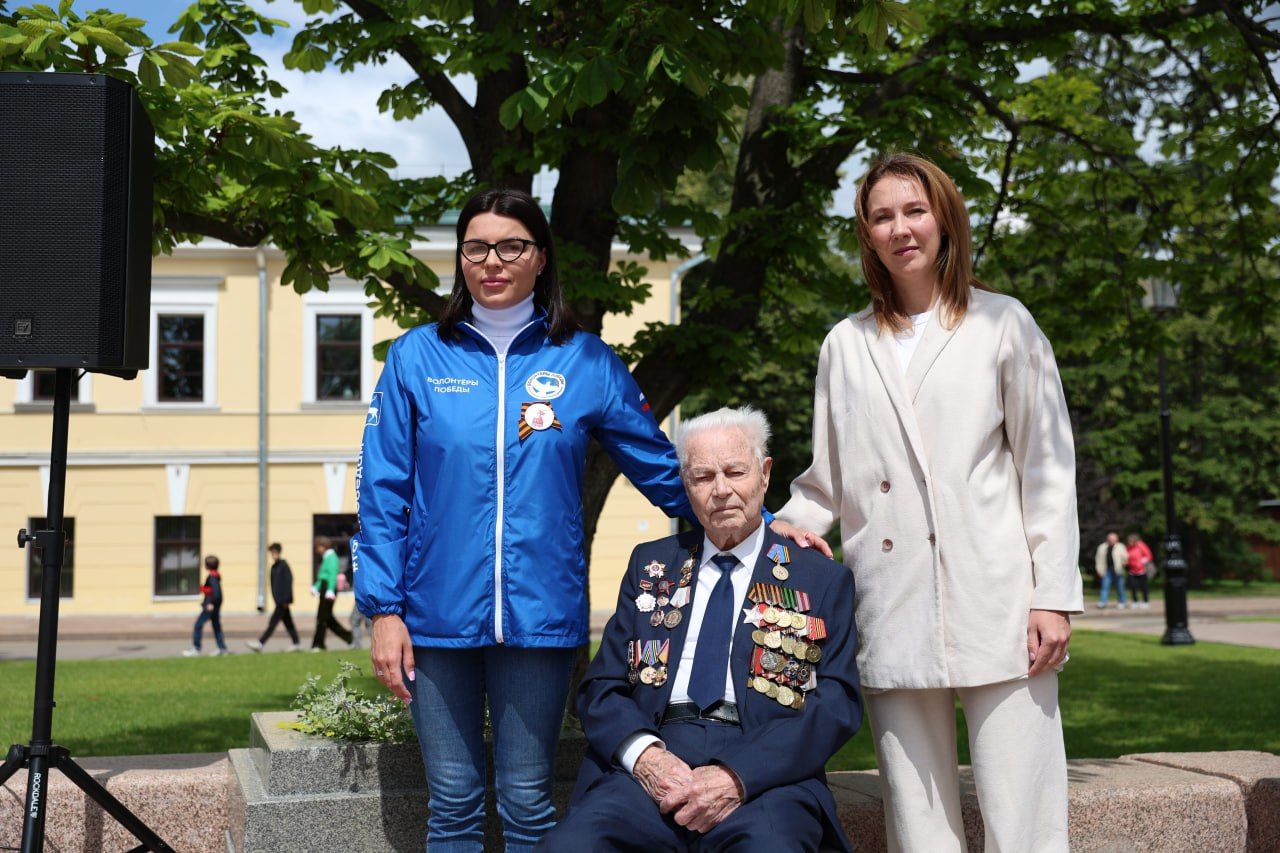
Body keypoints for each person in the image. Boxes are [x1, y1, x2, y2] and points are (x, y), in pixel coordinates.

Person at [352, 188, 821, 852]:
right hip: (433, 614)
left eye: (511, 245)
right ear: (459, 258)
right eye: (477, 246)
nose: (493, 261)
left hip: (540, 616)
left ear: (540, 257)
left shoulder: (585, 360)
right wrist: (384, 609)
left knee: (525, 797)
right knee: (452, 799)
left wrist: (765, 529)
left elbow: (663, 469)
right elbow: (383, 491)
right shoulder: (417, 357)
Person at [772, 153, 1082, 852]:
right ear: (866, 234)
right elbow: (827, 478)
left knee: (1025, 812)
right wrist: (781, 533)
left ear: (944, 218)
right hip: (893, 594)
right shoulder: (845, 344)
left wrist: (1053, 594)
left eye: (914, 210)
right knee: (917, 819)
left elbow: (1048, 469)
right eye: (882, 216)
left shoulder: (1005, 324)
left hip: (1001, 595)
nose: (900, 228)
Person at [537, 408, 861, 852]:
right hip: (656, 756)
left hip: (765, 771)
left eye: (735, 472)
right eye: (703, 477)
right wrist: (646, 758)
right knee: (571, 846)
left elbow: (837, 704)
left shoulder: (819, 577)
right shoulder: (652, 565)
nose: (722, 490)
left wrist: (736, 775)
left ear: (765, 475)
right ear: (686, 486)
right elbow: (601, 688)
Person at [246, 543, 301, 652]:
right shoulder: (274, 567)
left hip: (283, 601)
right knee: (288, 623)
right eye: (272, 552)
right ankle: (296, 643)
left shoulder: (284, 565)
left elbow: (289, 582)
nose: (274, 554)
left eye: (275, 552)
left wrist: (287, 599)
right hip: (278, 600)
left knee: (272, 623)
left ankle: (260, 643)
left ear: (279, 552)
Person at [311, 536, 353, 651]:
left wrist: (330, 589)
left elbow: (332, 574)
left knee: (322, 618)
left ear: (323, 546)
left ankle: (318, 644)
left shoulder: (331, 557)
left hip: (328, 589)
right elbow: (322, 577)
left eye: (318, 546)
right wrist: (316, 587)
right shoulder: (327, 557)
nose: (317, 549)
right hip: (325, 588)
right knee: (327, 618)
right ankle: (349, 638)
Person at [183, 555, 228, 657]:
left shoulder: (212, 577)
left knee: (198, 625)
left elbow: (216, 594)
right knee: (216, 626)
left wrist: (210, 603)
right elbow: (213, 591)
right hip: (213, 606)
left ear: (207, 565)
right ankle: (222, 648)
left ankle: (196, 648)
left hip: (210, 607)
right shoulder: (215, 576)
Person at [1095, 531, 1129, 609]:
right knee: (1104, 586)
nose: (1112, 541)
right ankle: (1102, 602)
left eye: (1113, 539)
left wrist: (1124, 562)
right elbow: (1098, 559)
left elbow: (1126, 557)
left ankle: (1122, 602)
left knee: (1120, 587)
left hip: (1118, 570)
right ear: (1107, 539)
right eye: (1110, 539)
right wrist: (1098, 570)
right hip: (1106, 570)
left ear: (1117, 539)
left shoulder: (1120, 546)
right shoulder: (1102, 547)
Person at [1126, 533, 1155, 609]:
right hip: (1132, 570)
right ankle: (1135, 602)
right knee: (1133, 586)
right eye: (1129, 541)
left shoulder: (1141, 545)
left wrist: (1142, 562)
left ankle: (1146, 602)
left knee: (1144, 587)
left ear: (1135, 541)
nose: (1130, 543)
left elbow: (1149, 556)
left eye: (1131, 541)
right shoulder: (1128, 547)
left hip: (1142, 570)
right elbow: (1127, 556)